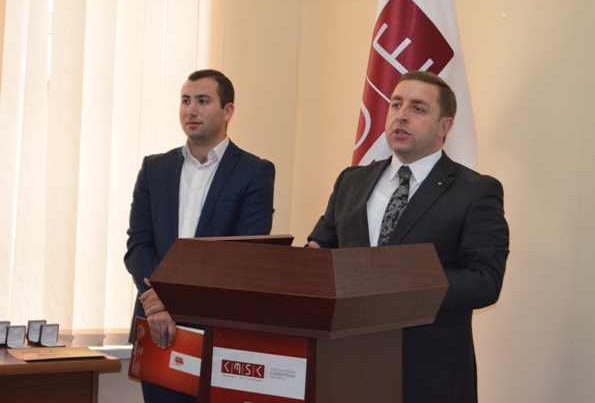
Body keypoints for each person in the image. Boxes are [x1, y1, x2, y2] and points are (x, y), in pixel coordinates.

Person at [307, 71, 509, 403]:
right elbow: (320, 249)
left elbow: (484, 280)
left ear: (444, 127)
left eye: (418, 108)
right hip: (345, 366)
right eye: (396, 104)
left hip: (429, 375)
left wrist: (397, 283)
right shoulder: (351, 181)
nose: (401, 115)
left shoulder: (475, 191)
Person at [124, 69, 275, 403]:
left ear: (227, 111)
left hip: (218, 331)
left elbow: (243, 256)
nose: (190, 110)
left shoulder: (255, 172)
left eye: (203, 101)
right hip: (157, 326)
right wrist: (157, 303)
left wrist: (169, 298)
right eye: (185, 100)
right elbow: (138, 244)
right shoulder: (154, 169)